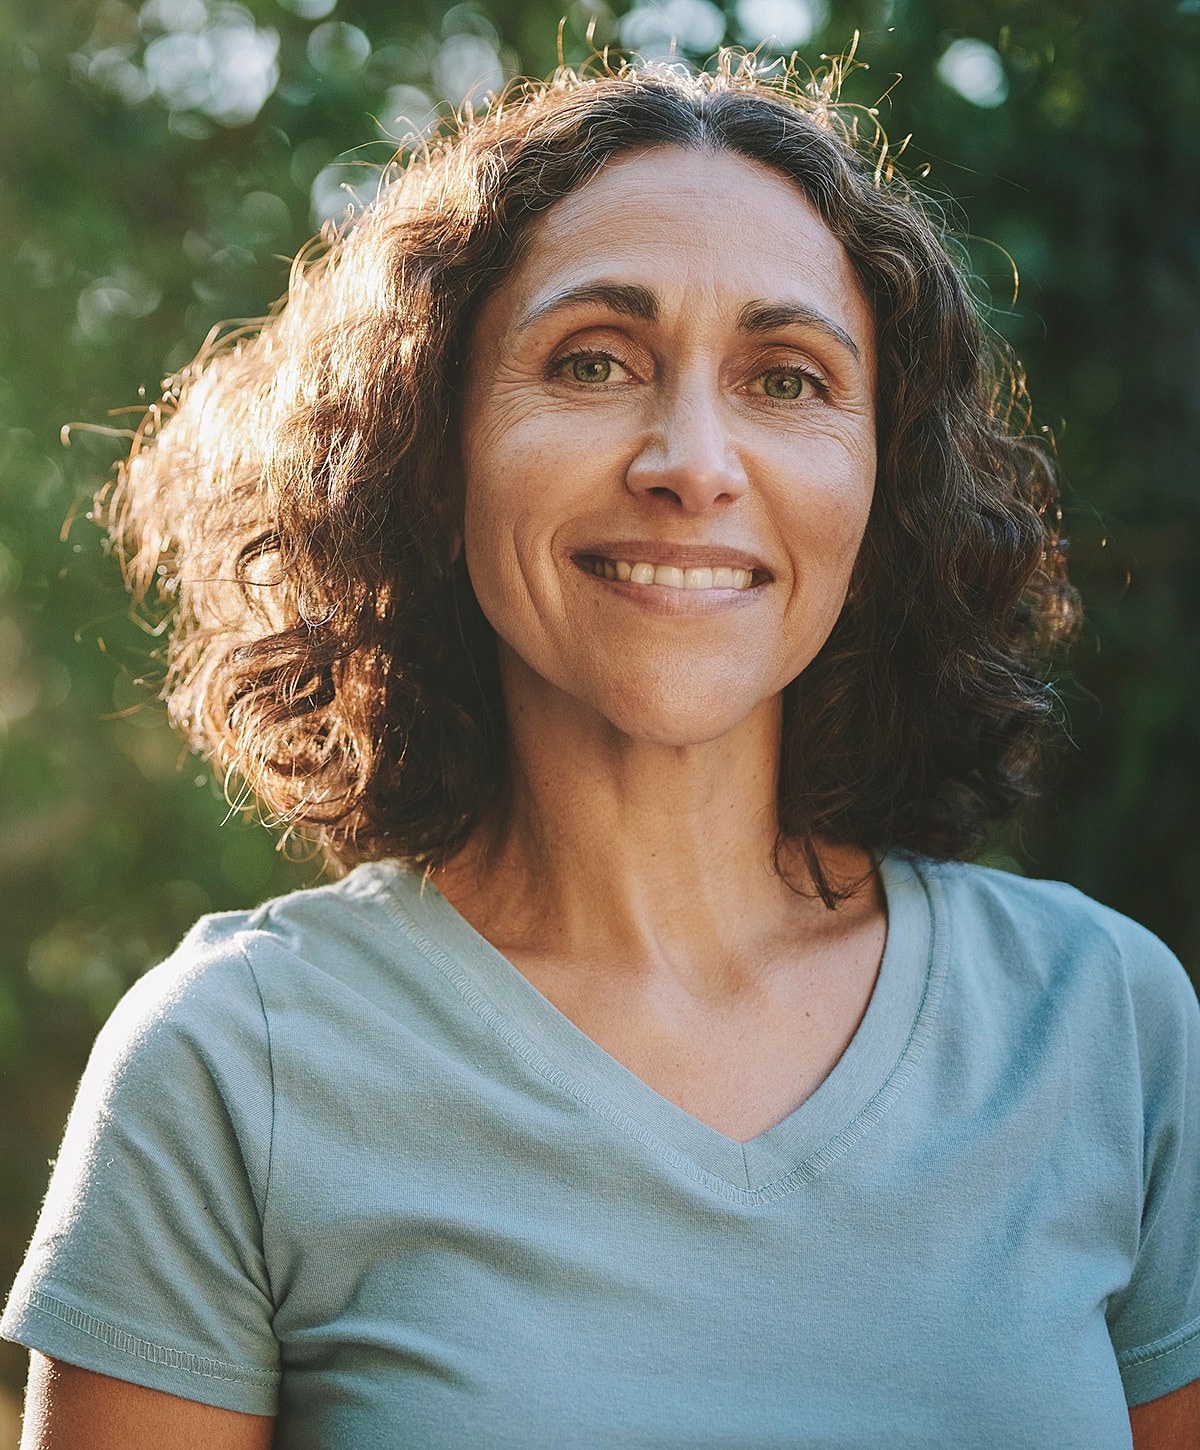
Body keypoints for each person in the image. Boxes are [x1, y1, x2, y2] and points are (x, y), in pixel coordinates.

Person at [4, 55, 1199, 1449]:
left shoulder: (1105, 1023)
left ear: (882, 483)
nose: (693, 460)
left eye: (787, 378)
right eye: (593, 361)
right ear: (433, 449)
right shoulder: (234, 1062)